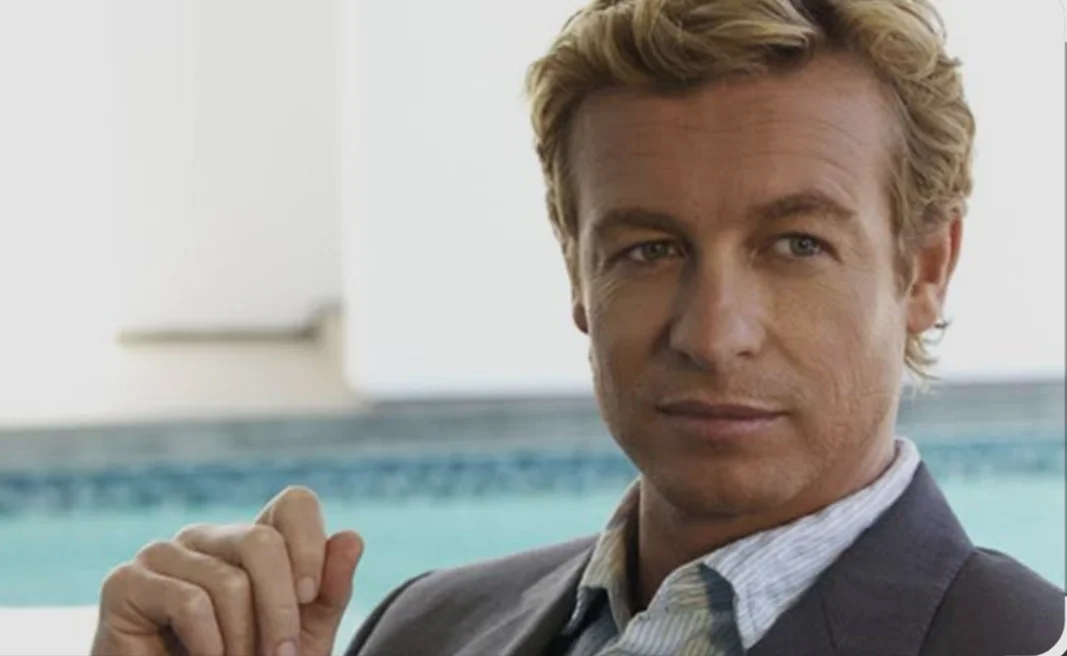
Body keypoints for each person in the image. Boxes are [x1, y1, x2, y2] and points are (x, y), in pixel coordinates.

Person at [91, 0, 1065, 654]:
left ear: (923, 268)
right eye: (650, 248)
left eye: (796, 244)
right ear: (577, 272)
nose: (711, 334)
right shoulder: (424, 626)